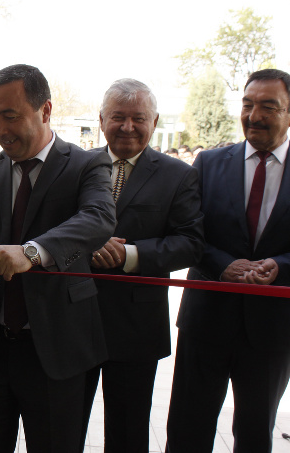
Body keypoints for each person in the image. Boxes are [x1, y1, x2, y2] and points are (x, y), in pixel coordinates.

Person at [0, 64, 116, 453]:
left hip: (59, 349)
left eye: (11, 116)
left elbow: (99, 218)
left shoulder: (87, 164)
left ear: (45, 110)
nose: (0, 128)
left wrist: (32, 253)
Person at [166, 68, 290, 453]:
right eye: (248, 104)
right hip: (206, 320)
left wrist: (281, 266)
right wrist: (222, 264)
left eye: (269, 106)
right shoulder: (208, 163)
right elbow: (188, 232)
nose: (255, 115)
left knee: (255, 433)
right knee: (188, 428)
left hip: (272, 329)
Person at [80, 79, 204, 453]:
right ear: (102, 120)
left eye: (138, 118)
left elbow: (190, 243)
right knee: (62, 426)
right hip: (74, 319)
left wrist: (130, 254)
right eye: (118, 117)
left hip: (136, 326)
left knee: (128, 430)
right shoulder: (76, 165)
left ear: (155, 121)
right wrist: (84, 246)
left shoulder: (178, 174)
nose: (127, 127)